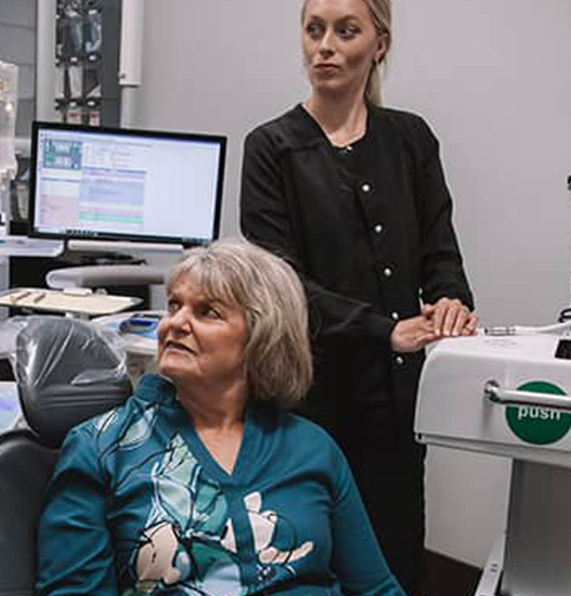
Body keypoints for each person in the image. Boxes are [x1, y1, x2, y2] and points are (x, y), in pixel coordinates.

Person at [239, 0, 477, 594]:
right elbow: (280, 284)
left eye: (347, 31)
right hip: (310, 395)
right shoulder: (271, 148)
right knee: (307, 562)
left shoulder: (410, 138)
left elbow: (439, 247)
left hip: (398, 403)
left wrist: (451, 300)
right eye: (314, 30)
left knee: (395, 559)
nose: (326, 46)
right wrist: (383, 329)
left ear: (380, 45)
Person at [37, 240, 406, 596]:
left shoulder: (312, 448)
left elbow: (374, 588)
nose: (176, 324)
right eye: (174, 306)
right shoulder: (103, 447)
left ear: (261, 337)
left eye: (206, 312)